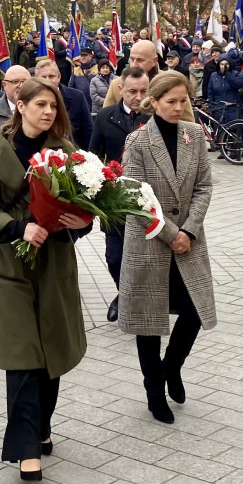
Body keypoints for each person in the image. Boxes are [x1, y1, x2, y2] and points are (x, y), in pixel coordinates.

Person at [0, 77, 91, 482]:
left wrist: (80, 221)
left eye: (54, 107)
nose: (48, 112)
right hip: (8, 264)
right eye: (40, 104)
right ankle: (25, 450)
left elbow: (86, 201)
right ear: (19, 106)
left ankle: (41, 427)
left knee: (50, 350)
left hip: (54, 261)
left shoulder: (66, 153)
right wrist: (15, 227)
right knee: (23, 354)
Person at [119, 70, 216, 424]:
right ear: (154, 102)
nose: (178, 108)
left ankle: (171, 367)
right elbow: (134, 196)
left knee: (193, 311)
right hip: (150, 242)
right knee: (150, 321)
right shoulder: (138, 142)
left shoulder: (194, 135)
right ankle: (153, 391)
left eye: (183, 100)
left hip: (189, 242)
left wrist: (188, 231)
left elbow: (204, 187)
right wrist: (170, 232)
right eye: (170, 101)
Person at [90, 67, 149, 322]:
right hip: (114, 200)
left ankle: (131, 299)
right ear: (121, 89)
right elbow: (93, 156)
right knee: (115, 256)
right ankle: (123, 293)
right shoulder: (105, 116)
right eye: (133, 91)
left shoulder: (155, 117)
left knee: (143, 256)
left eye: (144, 91)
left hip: (148, 198)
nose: (138, 96)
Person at [34, 59, 92, 149]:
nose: (47, 80)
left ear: (59, 77)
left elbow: (87, 131)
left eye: (51, 76)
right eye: (43, 77)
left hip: (72, 156)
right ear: (36, 79)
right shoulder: (31, 100)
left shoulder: (77, 97)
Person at [206, 56, 243, 123]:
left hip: (233, 107)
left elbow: (239, 85)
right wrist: (211, 107)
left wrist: (228, 75)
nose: (224, 66)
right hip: (219, 108)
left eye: (226, 64)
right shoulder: (213, 76)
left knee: (234, 129)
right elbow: (210, 92)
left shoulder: (235, 74)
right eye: (222, 64)